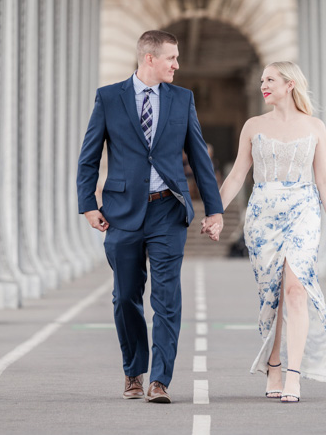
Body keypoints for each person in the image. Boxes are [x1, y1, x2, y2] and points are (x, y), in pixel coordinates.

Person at [77, 30, 224, 404]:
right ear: (149, 59)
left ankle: (160, 380)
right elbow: (89, 156)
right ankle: (133, 372)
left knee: (166, 298)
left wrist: (215, 210)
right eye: (171, 58)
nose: (177, 64)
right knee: (125, 296)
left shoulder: (182, 99)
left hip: (167, 210)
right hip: (122, 213)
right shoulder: (110, 98)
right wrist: (88, 205)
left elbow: (200, 160)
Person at [203, 61, 326, 402]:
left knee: (296, 290)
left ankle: (293, 376)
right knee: (273, 296)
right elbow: (237, 175)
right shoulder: (253, 126)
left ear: (290, 84)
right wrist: (215, 212)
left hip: (304, 211)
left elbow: (323, 178)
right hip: (263, 214)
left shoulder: (315, 126)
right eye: (262, 80)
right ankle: (274, 364)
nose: (263, 85)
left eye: (270, 80)